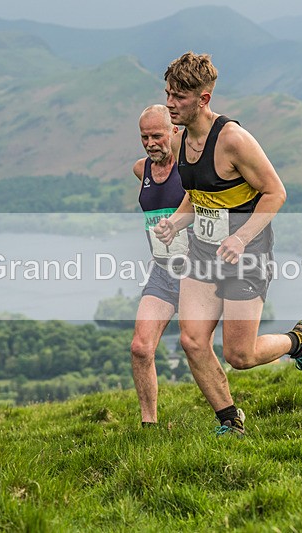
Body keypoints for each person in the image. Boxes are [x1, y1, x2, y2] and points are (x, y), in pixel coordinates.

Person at [154, 52, 302, 437]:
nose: (170, 103)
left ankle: (299, 341)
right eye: (168, 93)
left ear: (204, 99)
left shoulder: (233, 140)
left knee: (239, 355)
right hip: (203, 252)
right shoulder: (180, 140)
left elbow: (276, 192)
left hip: (246, 254)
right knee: (192, 340)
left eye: (180, 96)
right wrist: (175, 224)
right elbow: (197, 197)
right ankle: (230, 420)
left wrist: (240, 236)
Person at [129, 104, 189, 427]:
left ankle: (228, 415)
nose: (151, 143)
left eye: (157, 136)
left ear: (174, 132)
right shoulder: (142, 170)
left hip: (198, 274)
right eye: (144, 137)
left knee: (205, 349)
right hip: (163, 271)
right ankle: (149, 425)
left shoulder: (191, 169)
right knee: (140, 347)